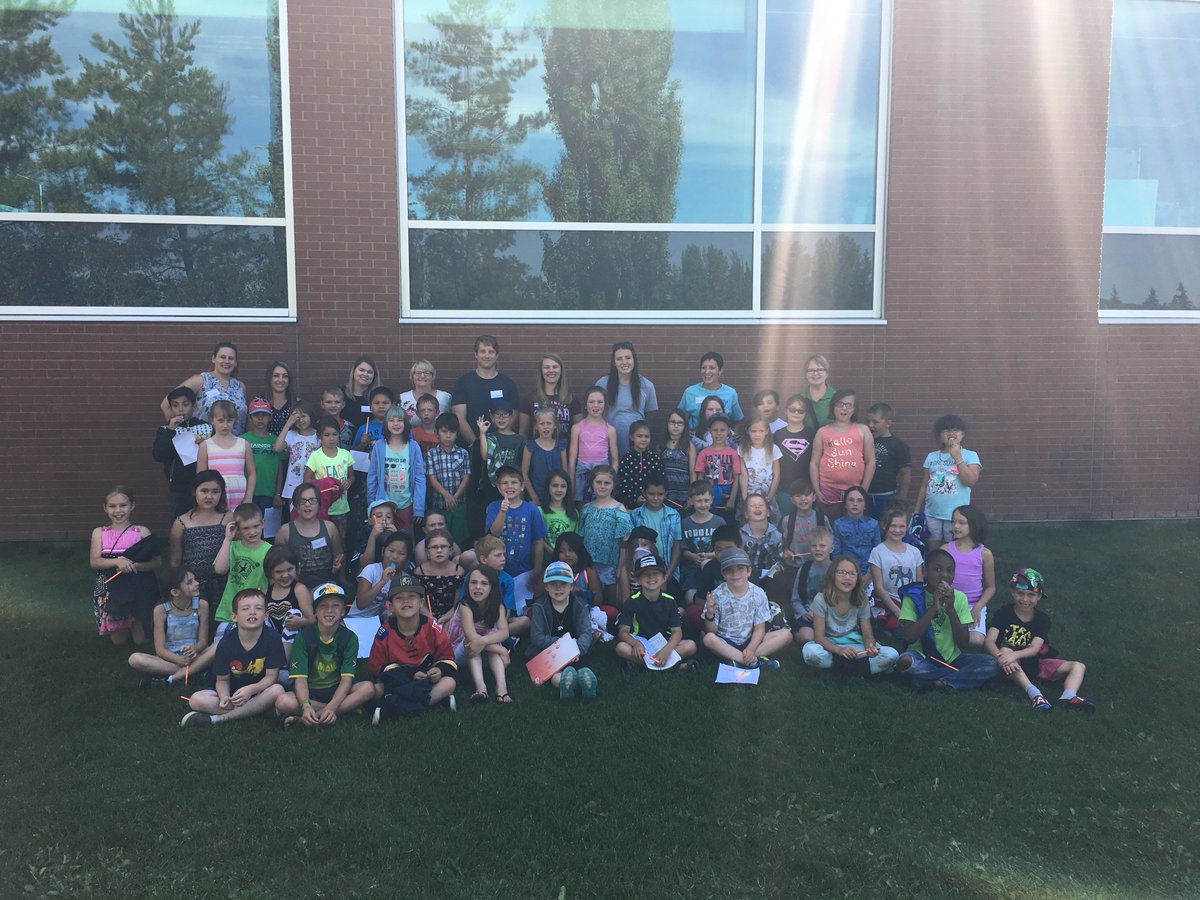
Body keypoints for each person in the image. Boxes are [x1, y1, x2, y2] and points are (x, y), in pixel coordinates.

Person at [986, 568, 1096, 713]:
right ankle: (1035, 694)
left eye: (1031, 595)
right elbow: (989, 641)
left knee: (1078, 666)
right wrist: (1001, 657)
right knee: (1006, 650)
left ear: (1039, 596)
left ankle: (1068, 696)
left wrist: (1015, 655)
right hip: (1008, 664)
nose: (1025, 599)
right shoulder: (1004, 612)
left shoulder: (1042, 619)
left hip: (1034, 662)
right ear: (1012, 592)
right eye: (1020, 593)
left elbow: (1034, 648)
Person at [896, 549, 1000, 691]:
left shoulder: (960, 597)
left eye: (950, 571)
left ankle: (937, 682)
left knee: (992, 663)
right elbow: (910, 637)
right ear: (925, 571)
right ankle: (957, 678)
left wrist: (950, 609)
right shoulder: (913, 597)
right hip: (921, 656)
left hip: (952, 658)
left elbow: (963, 642)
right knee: (905, 661)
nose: (944, 575)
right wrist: (934, 608)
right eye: (937, 569)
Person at [180, 588, 286, 727]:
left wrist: (251, 689)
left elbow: (271, 677)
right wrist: (224, 697)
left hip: (258, 691)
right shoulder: (226, 643)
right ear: (234, 617)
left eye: (258, 608)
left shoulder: (273, 639)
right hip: (232, 694)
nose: (252, 612)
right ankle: (256, 710)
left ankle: (216, 719)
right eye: (245, 608)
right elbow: (222, 680)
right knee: (196, 700)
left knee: (277, 690)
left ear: (266, 616)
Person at [276, 582, 375, 727]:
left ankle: (309, 718)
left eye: (336, 606)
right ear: (315, 611)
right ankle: (346, 708)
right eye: (323, 606)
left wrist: (332, 706)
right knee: (283, 701)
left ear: (343, 611)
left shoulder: (349, 638)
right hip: (311, 690)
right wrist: (305, 705)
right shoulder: (303, 637)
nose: (330, 610)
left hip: (337, 686)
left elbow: (347, 679)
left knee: (368, 688)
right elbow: (300, 678)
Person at [368, 575, 458, 721]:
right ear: (390, 606)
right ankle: (433, 703)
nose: (406, 601)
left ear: (421, 602)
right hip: (397, 681)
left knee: (449, 683)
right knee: (377, 690)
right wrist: (409, 677)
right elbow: (376, 666)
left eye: (412, 596)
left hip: (426, 679)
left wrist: (439, 670)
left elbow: (448, 657)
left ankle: (392, 708)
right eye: (399, 598)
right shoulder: (384, 632)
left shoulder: (432, 628)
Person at [801, 556, 899, 676]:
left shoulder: (861, 599)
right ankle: (861, 669)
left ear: (857, 578)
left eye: (852, 574)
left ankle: (836, 669)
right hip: (830, 646)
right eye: (842, 572)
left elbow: (867, 635)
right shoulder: (821, 599)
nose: (847, 577)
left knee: (891, 654)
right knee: (810, 653)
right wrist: (839, 650)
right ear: (833, 575)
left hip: (855, 646)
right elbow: (819, 637)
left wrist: (870, 648)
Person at [91, 485, 161, 645]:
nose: (118, 511)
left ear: (132, 506)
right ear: (105, 508)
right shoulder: (99, 532)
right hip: (110, 586)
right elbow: (95, 561)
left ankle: (137, 624)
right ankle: (119, 624)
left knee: (140, 641)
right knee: (119, 642)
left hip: (137, 586)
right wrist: (117, 561)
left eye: (123, 505)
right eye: (112, 506)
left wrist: (134, 566)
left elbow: (157, 561)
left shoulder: (141, 532)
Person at [701, 547, 792, 669]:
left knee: (786, 635)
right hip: (726, 641)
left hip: (750, 639)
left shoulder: (758, 593)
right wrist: (710, 614)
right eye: (729, 570)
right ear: (723, 574)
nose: (735, 574)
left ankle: (744, 658)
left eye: (740, 568)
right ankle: (751, 661)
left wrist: (750, 648)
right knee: (709, 639)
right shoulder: (717, 595)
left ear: (749, 571)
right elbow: (711, 630)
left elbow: (759, 629)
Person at [127, 567, 210, 687]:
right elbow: (160, 650)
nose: (197, 583)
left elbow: (203, 641)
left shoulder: (201, 605)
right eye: (190, 582)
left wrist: (195, 649)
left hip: (195, 655)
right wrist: (178, 659)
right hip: (170, 658)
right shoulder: (161, 610)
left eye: (195, 580)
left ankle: (167, 675)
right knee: (135, 659)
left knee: (217, 647)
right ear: (175, 592)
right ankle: (196, 671)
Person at [615, 554, 697, 670]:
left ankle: (644, 665)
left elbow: (677, 632)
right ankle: (675, 666)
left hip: (664, 642)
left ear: (664, 577)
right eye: (646, 575)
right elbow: (623, 632)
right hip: (642, 644)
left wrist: (666, 650)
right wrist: (636, 644)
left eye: (655, 574)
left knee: (691, 646)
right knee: (621, 647)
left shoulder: (669, 600)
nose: (651, 577)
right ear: (638, 580)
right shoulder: (632, 601)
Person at [528, 561, 597, 700]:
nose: (558, 588)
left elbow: (586, 633)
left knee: (581, 667)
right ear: (546, 586)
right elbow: (537, 636)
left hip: (576, 652)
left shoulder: (580, 605)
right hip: (549, 652)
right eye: (553, 584)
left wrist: (576, 650)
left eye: (563, 584)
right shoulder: (539, 607)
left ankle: (586, 682)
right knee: (555, 675)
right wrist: (564, 648)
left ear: (571, 586)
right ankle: (565, 685)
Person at [914, 414, 983, 551]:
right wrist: (916, 510)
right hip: (932, 512)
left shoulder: (970, 455)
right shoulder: (931, 456)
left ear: (962, 434)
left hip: (956, 515)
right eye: (946, 430)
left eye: (955, 430)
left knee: (953, 549)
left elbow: (970, 481)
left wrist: (957, 457)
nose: (951, 434)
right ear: (939, 435)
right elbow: (924, 484)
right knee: (932, 548)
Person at [169, 470, 231, 612]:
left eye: (215, 492)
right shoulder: (181, 522)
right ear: (194, 492)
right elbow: (175, 561)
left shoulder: (228, 518)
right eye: (204, 491)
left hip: (224, 583)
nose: (209, 496)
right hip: (194, 585)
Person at [450, 565, 512, 704]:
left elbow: (504, 632)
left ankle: (502, 688)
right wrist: (501, 650)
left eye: (484, 583)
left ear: (492, 587)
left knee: (487, 641)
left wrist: (486, 642)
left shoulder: (498, 605)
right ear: (468, 585)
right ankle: (480, 687)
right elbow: (471, 636)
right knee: (472, 644)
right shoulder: (465, 605)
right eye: (473, 582)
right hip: (458, 652)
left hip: (483, 648)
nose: (478, 587)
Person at [810, 389, 875, 519]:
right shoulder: (822, 432)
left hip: (854, 490)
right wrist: (817, 490)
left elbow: (871, 462)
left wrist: (863, 489)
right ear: (833, 407)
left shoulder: (863, 430)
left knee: (852, 528)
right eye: (840, 404)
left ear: (854, 409)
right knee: (828, 528)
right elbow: (814, 463)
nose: (844, 408)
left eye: (849, 405)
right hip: (827, 490)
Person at [487, 466, 547, 602]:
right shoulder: (494, 507)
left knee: (522, 608)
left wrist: (537, 568)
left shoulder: (532, 510)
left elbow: (538, 541)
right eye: (505, 483)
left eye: (514, 482)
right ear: (498, 487)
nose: (509, 486)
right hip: (499, 571)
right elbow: (494, 533)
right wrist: (502, 512)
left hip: (524, 572)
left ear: (522, 486)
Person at [153, 386, 213, 523]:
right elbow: (158, 455)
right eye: (175, 405)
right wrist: (170, 431)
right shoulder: (165, 430)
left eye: (185, 405)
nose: (180, 409)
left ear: (194, 406)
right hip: (179, 486)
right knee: (178, 521)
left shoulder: (205, 427)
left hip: (203, 483)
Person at [161, 341, 247, 434]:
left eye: (231, 358)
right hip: (203, 444)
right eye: (222, 357)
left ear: (235, 363)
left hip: (235, 445)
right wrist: (178, 431)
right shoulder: (200, 381)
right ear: (214, 359)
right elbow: (166, 404)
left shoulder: (240, 387)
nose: (226, 361)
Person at [578, 465, 632, 607]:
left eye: (607, 483)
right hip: (588, 565)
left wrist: (621, 567)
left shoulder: (619, 509)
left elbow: (624, 542)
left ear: (613, 485)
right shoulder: (586, 508)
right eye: (598, 482)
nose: (602, 486)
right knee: (591, 600)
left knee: (610, 603)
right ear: (592, 484)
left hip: (610, 565)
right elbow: (581, 536)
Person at [451, 334, 521, 443]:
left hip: (500, 447)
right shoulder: (463, 383)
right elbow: (460, 419)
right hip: (471, 447)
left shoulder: (508, 384)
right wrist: (478, 445)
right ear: (476, 354)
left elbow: (514, 416)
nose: (487, 356)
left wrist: (497, 445)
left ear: (497, 355)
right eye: (483, 351)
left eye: (491, 352)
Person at [368, 405, 425, 537]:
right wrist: (371, 504)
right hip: (384, 504)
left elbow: (419, 478)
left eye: (399, 420)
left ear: (405, 423)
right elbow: (372, 477)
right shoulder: (379, 446)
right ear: (386, 423)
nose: (396, 424)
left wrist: (419, 507)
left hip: (406, 503)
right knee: (385, 539)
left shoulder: (413, 446)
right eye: (391, 420)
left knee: (405, 538)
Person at [868, 501, 924, 635]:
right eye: (893, 526)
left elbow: (919, 583)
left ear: (907, 527)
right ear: (884, 526)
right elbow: (879, 587)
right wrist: (897, 611)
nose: (897, 530)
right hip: (889, 602)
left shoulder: (914, 552)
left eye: (901, 526)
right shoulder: (878, 552)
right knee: (901, 630)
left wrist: (913, 607)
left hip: (910, 601)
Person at [274, 482, 344, 589]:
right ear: (296, 505)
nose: (307, 504)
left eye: (312, 500)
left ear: (319, 504)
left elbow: (339, 555)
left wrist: (337, 565)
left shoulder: (330, 528)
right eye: (303, 501)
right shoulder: (285, 531)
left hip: (327, 584)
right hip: (295, 586)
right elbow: (278, 562)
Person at [595, 341, 659, 456]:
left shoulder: (646, 385)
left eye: (628, 358)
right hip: (608, 443)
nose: (624, 362)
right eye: (619, 359)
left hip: (636, 447)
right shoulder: (603, 384)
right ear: (614, 363)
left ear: (634, 360)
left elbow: (651, 416)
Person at [946, 504, 996, 648]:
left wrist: (977, 608)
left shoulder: (984, 554)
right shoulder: (945, 550)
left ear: (973, 525)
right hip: (950, 603)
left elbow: (991, 587)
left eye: (961, 522)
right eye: (953, 521)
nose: (956, 526)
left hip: (973, 604)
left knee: (975, 641)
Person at [212, 503, 270, 625]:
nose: (252, 532)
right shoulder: (232, 546)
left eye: (256, 526)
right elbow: (220, 569)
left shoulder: (270, 551)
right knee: (222, 643)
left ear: (263, 523)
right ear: (237, 528)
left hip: (256, 611)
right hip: (230, 611)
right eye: (245, 528)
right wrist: (228, 539)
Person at [197, 399, 255, 509]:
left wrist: (248, 497)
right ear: (212, 420)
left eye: (229, 420)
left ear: (234, 420)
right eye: (220, 420)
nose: (225, 425)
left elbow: (252, 473)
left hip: (240, 498)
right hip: (216, 498)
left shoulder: (244, 444)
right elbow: (201, 477)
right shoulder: (205, 446)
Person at [425, 412, 472, 547]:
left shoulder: (463, 453)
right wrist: (446, 496)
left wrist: (455, 497)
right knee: (439, 538)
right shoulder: (431, 454)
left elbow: (466, 477)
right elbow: (432, 479)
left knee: (459, 538)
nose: (448, 435)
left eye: (452, 432)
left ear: (457, 434)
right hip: (439, 503)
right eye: (444, 431)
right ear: (437, 433)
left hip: (459, 503)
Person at [306, 416, 356, 540]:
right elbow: (306, 480)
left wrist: (348, 483)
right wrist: (324, 486)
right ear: (319, 436)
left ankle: (340, 560)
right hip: (322, 508)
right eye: (327, 435)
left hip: (341, 508)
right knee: (322, 540)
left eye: (335, 434)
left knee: (340, 540)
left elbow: (352, 476)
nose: (331, 438)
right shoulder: (315, 456)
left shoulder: (345, 454)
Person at [569, 387, 618, 502]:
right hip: (582, 473)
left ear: (605, 405)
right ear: (586, 405)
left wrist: (611, 479)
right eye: (591, 402)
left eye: (600, 402)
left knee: (600, 504)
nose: (596, 405)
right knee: (581, 505)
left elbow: (615, 460)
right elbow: (572, 460)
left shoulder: (610, 430)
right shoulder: (577, 428)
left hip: (602, 475)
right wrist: (572, 484)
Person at [680, 480, 726, 605]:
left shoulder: (719, 522)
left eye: (706, 500)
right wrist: (693, 556)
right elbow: (682, 548)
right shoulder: (685, 523)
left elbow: (726, 548)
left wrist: (709, 555)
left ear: (712, 500)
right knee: (690, 598)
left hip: (715, 567)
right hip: (693, 569)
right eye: (699, 501)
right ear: (691, 501)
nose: (703, 504)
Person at [865, 402, 912, 520]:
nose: (871, 425)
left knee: (885, 528)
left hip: (887, 496)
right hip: (864, 495)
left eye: (875, 422)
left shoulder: (898, 445)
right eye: (868, 421)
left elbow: (905, 473)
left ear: (888, 423)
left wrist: (901, 499)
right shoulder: (864, 441)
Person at [774, 394, 818, 519]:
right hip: (784, 489)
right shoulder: (778, 434)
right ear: (786, 411)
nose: (796, 413)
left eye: (800, 410)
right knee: (785, 522)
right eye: (793, 409)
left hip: (806, 489)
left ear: (806, 414)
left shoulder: (812, 434)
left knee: (807, 523)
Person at [630, 475, 682, 578]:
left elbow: (677, 547)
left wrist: (669, 573)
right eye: (651, 494)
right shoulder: (635, 515)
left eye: (660, 494)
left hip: (666, 567)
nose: (656, 498)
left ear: (665, 494)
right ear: (644, 493)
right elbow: (631, 546)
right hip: (642, 567)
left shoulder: (673, 515)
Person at [352, 531, 413, 620]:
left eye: (401, 553)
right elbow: (361, 604)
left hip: (384, 624)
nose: (394, 556)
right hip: (358, 619)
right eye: (391, 551)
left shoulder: (406, 580)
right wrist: (382, 582)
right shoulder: (371, 570)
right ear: (383, 551)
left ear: (407, 558)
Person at [262, 544, 314, 646]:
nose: (285, 575)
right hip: (272, 640)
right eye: (279, 571)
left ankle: (284, 660)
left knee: (293, 613)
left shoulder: (299, 589)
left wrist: (301, 621)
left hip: (295, 640)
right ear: (270, 573)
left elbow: (312, 619)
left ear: (296, 568)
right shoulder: (265, 593)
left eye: (289, 569)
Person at [413, 527, 465, 628]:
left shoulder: (459, 571)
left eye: (443, 546)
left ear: (451, 550)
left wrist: (446, 618)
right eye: (434, 547)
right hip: (426, 617)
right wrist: (430, 618)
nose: (439, 550)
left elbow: (458, 603)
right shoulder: (419, 572)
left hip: (452, 617)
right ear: (427, 552)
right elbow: (419, 601)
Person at [791, 525, 833, 644]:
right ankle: (798, 633)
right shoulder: (804, 569)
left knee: (831, 639)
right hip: (808, 615)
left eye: (822, 546)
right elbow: (795, 599)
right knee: (807, 638)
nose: (818, 549)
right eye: (814, 545)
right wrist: (803, 613)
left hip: (830, 617)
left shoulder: (836, 570)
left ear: (831, 548)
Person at [678, 351, 743, 429]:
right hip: (695, 438)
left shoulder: (730, 393)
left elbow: (738, 419)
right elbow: (678, 417)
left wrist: (734, 434)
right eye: (703, 368)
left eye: (712, 368)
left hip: (721, 438)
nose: (707, 372)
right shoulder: (690, 392)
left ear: (720, 370)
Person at [522, 352, 579, 441]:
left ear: (561, 370)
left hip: (564, 451)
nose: (551, 370)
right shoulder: (530, 398)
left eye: (555, 367)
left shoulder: (571, 398)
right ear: (541, 371)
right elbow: (523, 432)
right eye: (547, 367)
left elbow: (579, 433)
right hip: (537, 452)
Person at [695, 414, 741, 520]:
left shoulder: (733, 453)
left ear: (728, 431)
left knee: (726, 523)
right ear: (709, 430)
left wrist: (732, 500)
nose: (719, 433)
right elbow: (700, 477)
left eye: (722, 430)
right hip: (708, 495)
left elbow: (736, 478)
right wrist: (701, 497)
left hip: (727, 495)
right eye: (715, 430)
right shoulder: (704, 453)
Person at [243, 398, 284, 515]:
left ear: (270, 417)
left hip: (269, 493)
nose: (260, 419)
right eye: (256, 415)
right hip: (248, 493)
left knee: (269, 531)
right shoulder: (242, 439)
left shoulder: (276, 441)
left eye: (264, 415)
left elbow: (280, 469)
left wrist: (278, 494)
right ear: (250, 418)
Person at [274, 400, 319, 504]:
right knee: (294, 515)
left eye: (303, 416)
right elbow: (277, 448)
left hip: (313, 482)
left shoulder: (318, 436)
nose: (300, 420)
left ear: (310, 415)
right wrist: (288, 424)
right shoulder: (291, 435)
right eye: (297, 418)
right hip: (293, 483)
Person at [738, 415, 782, 520]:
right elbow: (743, 474)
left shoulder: (773, 448)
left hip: (767, 494)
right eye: (753, 431)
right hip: (748, 494)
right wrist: (744, 497)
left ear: (767, 431)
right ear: (747, 431)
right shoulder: (742, 448)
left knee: (770, 519)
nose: (757, 435)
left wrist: (770, 497)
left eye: (761, 431)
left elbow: (777, 475)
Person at [831, 486, 881, 576]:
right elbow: (836, 553)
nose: (855, 503)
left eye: (859, 500)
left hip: (869, 571)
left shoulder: (874, 524)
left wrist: (870, 574)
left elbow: (877, 551)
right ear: (845, 504)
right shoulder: (838, 524)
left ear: (865, 505)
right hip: (846, 571)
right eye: (851, 500)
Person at [523, 408, 568, 506]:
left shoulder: (560, 446)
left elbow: (565, 474)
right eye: (542, 424)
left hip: (557, 496)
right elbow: (524, 474)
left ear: (555, 425)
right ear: (536, 426)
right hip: (536, 494)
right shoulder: (530, 446)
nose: (546, 427)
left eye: (549, 423)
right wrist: (533, 496)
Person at [616, 420, 663, 509]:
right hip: (630, 505)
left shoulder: (655, 459)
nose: (643, 439)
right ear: (632, 437)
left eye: (647, 436)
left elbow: (660, 480)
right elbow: (622, 483)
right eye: (639, 436)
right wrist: (635, 498)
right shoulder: (626, 459)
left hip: (652, 503)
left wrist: (651, 496)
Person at [658, 409, 696, 510]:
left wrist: (692, 496)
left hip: (683, 493)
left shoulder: (689, 446)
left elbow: (692, 472)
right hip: (665, 494)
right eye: (672, 422)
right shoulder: (661, 445)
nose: (676, 426)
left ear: (685, 426)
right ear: (667, 424)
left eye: (680, 423)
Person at [538, 469, 578, 554]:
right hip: (546, 562)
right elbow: (538, 539)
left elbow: (575, 540)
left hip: (567, 562)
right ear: (548, 487)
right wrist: (553, 553)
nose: (559, 490)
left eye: (563, 486)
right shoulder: (540, 511)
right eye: (555, 486)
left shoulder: (574, 513)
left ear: (568, 488)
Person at [341, 355, 382, 433]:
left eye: (369, 372)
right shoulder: (341, 393)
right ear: (354, 371)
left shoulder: (378, 396)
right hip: (345, 441)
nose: (365, 374)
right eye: (361, 370)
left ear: (374, 376)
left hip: (371, 441)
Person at [353, 386, 395, 453]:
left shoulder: (400, 427)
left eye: (385, 403)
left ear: (392, 405)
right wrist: (362, 445)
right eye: (377, 403)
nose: (381, 406)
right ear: (370, 407)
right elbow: (354, 454)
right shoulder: (364, 429)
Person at [799, 354, 836, 425]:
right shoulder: (800, 398)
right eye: (811, 370)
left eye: (820, 370)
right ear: (805, 374)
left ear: (827, 373)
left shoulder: (837, 397)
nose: (815, 373)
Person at [263, 360, 296, 436]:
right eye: (276, 376)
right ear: (269, 378)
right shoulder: (260, 403)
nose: (281, 380)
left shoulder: (296, 403)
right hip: (265, 446)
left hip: (289, 446)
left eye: (285, 376)